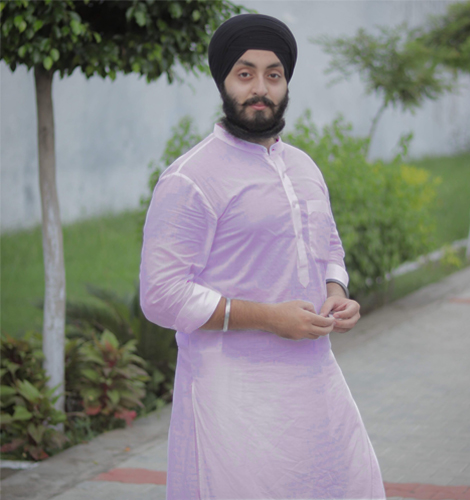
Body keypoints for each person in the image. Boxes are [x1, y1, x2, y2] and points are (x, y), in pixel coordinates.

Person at [140, 13, 385, 500]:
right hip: (233, 399)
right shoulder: (191, 178)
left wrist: (336, 292)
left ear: (286, 83)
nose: (260, 88)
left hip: (315, 385)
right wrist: (269, 318)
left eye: (273, 75)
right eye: (245, 73)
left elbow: (327, 246)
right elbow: (161, 295)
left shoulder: (303, 167)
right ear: (223, 82)